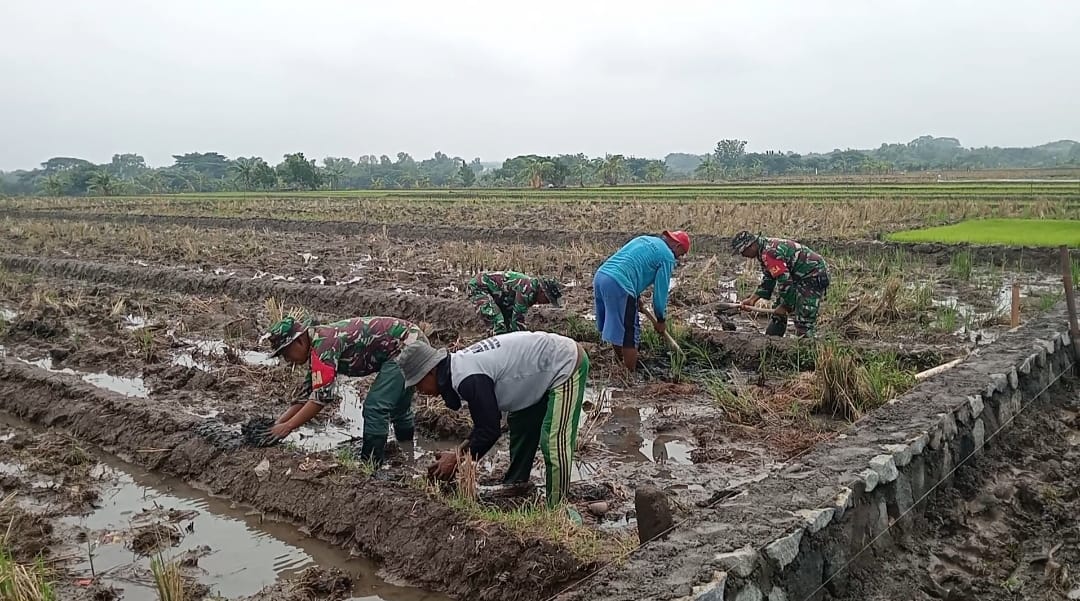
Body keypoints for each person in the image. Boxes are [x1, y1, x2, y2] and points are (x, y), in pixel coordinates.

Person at [396, 331, 589, 514]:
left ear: (431, 372)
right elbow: (487, 422)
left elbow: (489, 430)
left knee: (554, 442)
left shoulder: (467, 377)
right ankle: (516, 484)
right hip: (536, 370)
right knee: (521, 423)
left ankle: (557, 509)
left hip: (564, 363)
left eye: (418, 383)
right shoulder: (459, 369)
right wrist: (458, 455)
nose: (419, 391)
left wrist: (457, 458)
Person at [260, 314, 426, 463]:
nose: (287, 360)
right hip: (410, 340)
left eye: (286, 353)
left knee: (375, 407)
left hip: (407, 345)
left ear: (299, 341)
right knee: (399, 407)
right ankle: (409, 457)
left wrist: (288, 427)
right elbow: (306, 396)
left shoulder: (323, 346)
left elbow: (321, 398)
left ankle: (372, 465)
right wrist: (278, 424)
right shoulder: (316, 344)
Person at [592, 230, 690, 373]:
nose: (679, 257)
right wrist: (661, 319)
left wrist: (636, 298)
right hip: (620, 284)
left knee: (616, 325)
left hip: (602, 277)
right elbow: (660, 294)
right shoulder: (667, 256)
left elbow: (630, 264)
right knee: (630, 333)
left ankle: (621, 365)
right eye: (681, 254)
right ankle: (629, 374)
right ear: (678, 246)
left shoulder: (645, 239)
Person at [732, 230, 830, 338]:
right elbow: (769, 278)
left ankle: (807, 347)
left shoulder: (770, 253)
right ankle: (772, 344)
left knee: (804, 318)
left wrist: (785, 306)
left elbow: (785, 282)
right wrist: (752, 300)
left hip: (813, 275)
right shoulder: (763, 249)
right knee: (778, 313)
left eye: (743, 251)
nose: (742, 255)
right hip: (798, 276)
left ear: (751, 246)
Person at [465, 271, 563, 335]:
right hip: (479, 288)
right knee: (498, 323)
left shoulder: (532, 291)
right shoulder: (527, 290)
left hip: (499, 296)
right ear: (542, 292)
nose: (545, 303)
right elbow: (517, 320)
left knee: (507, 325)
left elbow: (512, 318)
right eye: (547, 300)